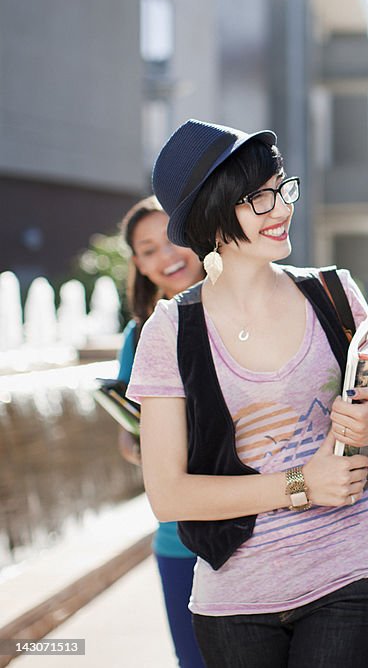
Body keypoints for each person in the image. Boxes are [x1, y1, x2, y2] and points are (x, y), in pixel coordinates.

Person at [127, 119, 368, 668]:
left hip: (348, 566)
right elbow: (167, 494)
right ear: (213, 213)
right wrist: (303, 483)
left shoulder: (333, 293)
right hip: (233, 591)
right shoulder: (170, 329)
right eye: (257, 199)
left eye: (281, 188)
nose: (281, 208)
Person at [116, 195, 206, 668]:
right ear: (138, 264)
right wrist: (140, 443)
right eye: (148, 250)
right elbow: (129, 441)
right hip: (178, 541)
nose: (167, 256)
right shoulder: (137, 337)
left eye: (173, 237)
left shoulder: (244, 313)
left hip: (261, 528)